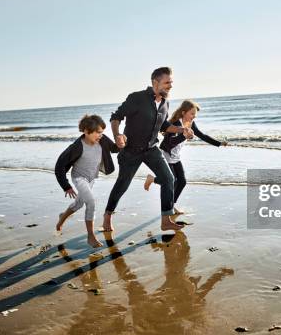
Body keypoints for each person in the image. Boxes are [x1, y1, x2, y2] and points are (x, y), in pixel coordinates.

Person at [104, 67, 193, 232]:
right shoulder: (136, 98)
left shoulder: (165, 102)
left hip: (152, 148)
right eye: (167, 83)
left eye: (171, 83)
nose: (170, 86)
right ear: (155, 82)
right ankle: (107, 216)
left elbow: (164, 125)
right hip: (130, 150)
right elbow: (116, 116)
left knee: (169, 179)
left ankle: (165, 220)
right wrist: (117, 135)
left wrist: (182, 130)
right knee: (122, 185)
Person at [144, 99, 227, 214]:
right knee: (171, 181)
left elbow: (202, 136)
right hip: (166, 154)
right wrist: (184, 136)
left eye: (195, 114)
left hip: (176, 157)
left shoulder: (191, 124)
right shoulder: (176, 124)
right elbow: (169, 142)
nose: (194, 116)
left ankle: (172, 205)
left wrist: (219, 143)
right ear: (183, 112)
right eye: (192, 113)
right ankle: (152, 179)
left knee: (182, 182)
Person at [54, 114, 119, 248]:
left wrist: (121, 141)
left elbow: (114, 148)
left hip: (91, 179)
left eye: (102, 132)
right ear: (86, 131)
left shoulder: (102, 139)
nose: (100, 135)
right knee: (91, 202)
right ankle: (91, 236)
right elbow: (59, 165)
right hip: (79, 178)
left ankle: (62, 218)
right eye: (97, 132)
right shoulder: (77, 147)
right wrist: (66, 186)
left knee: (78, 204)